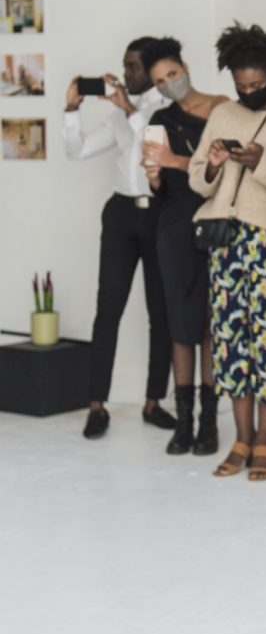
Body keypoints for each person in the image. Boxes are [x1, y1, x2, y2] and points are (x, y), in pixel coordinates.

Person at [188, 22, 266, 482]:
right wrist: (214, 164)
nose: (249, 92)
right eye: (241, 86)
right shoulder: (222, 116)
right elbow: (197, 179)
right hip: (227, 243)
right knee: (231, 341)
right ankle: (240, 435)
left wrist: (263, 162)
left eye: (257, 85)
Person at [62, 37, 176, 440]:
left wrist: (129, 110)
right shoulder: (118, 114)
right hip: (121, 215)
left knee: (159, 312)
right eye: (125, 66)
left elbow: (154, 146)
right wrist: (72, 110)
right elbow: (77, 151)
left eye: (133, 67)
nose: (126, 73)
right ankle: (97, 405)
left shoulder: (165, 107)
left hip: (159, 215)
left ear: (150, 69)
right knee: (107, 308)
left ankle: (153, 402)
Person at [140, 37, 228, 456]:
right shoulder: (159, 117)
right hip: (174, 224)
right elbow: (160, 188)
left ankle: (209, 423)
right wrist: (154, 174)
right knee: (180, 325)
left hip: (215, 219)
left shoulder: (222, 108)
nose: (168, 85)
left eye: (172, 74)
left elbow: (225, 170)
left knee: (211, 322)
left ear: (185, 67)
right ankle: (184, 422)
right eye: (160, 81)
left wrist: (177, 161)